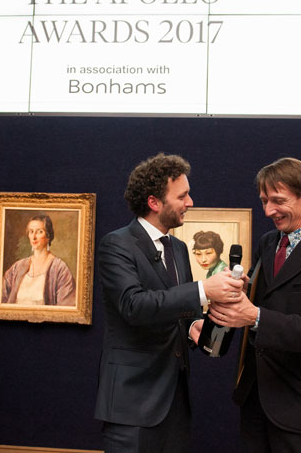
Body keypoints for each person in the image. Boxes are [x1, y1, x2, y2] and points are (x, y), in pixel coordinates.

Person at [94, 153, 245, 453]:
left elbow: (177, 309)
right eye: (183, 195)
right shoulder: (117, 244)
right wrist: (204, 289)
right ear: (154, 202)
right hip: (132, 405)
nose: (190, 202)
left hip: (175, 404)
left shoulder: (177, 247)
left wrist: (192, 326)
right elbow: (133, 306)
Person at [210, 157, 301, 453]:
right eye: (263, 201)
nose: (268, 211)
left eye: (278, 200)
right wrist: (226, 310)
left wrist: (256, 315)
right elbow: (254, 304)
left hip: (297, 402)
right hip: (253, 395)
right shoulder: (267, 242)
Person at [1, 214, 76, 306]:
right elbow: (1, 299)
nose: (34, 237)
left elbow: (66, 308)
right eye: (31, 232)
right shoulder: (18, 267)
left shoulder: (60, 269)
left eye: (39, 232)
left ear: (48, 236)